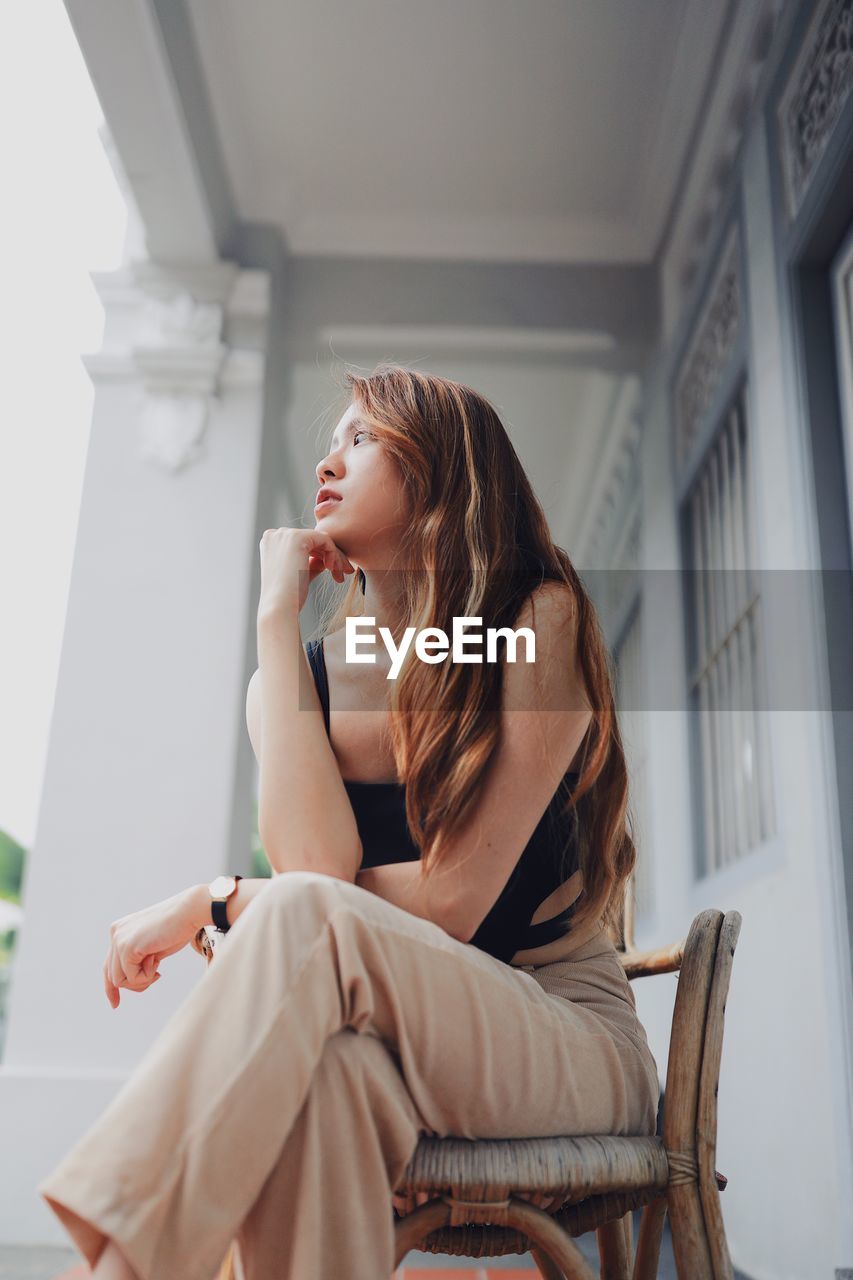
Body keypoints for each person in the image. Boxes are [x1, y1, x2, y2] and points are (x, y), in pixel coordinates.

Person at [37, 364, 660, 1280]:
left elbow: (449, 899)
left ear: (446, 470)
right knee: (324, 1084)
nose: (329, 460)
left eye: (362, 438)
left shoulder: (534, 619)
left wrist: (212, 902)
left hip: (566, 1035)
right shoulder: (303, 683)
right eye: (331, 441)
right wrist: (273, 617)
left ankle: (121, 1270)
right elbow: (316, 870)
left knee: (293, 917)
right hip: (400, 1050)